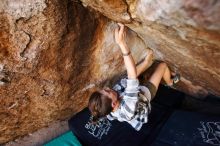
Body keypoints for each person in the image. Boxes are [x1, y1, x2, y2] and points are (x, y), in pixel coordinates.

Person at [88, 23, 180, 131]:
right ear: (113, 104)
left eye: (104, 89)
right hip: (144, 95)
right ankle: (169, 82)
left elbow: (130, 78)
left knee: (133, 80)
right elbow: (132, 76)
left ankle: (149, 75)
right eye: (107, 92)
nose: (108, 88)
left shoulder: (106, 107)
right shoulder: (128, 109)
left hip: (131, 94)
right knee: (162, 66)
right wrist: (122, 43)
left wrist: (146, 63)